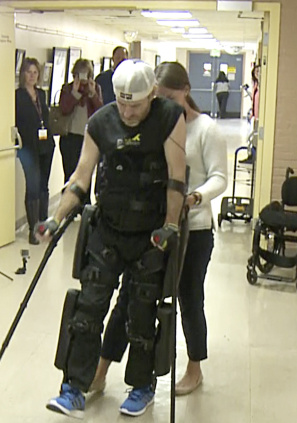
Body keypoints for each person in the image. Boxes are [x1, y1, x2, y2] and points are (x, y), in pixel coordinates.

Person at [37, 60, 187, 419]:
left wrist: (170, 224)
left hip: (150, 233)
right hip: (108, 227)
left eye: (135, 105)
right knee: (87, 307)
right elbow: (81, 177)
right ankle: (74, 387)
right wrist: (56, 219)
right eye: (122, 104)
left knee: (141, 313)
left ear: (151, 94)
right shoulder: (101, 122)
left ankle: (141, 386)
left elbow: (176, 178)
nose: (128, 112)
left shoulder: (169, 117)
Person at [92, 61, 227, 396]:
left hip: (193, 229)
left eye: (169, 97)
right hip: (155, 227)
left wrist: (194, 197)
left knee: (188, 297)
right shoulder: (155, 124)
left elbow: (219, 178)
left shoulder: (206, 129)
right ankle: (101, 368)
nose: (162, 105)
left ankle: (194, 369)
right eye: (158, 97)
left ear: (185, 91)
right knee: (129, 299)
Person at [15, 57, 55, 245]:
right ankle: (33, 229)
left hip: (45, 145)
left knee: (43, 186)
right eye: (28, 72)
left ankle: (44, 225)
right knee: (32, 185)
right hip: (28, 148)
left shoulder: (42, 94)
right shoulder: (17, 96)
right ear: (23, 74)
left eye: (35, 73)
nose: (32, 76)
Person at [58, 58, 104, 184]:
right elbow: (64, 109)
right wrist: (74, 92)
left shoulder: (95, 88)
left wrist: (93, 94)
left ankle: (85, 203)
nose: (83, 77)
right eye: (80, 73)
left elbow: (100, 111)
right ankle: (70, 202)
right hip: (70, 138)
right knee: (70, 175)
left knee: (86, 175)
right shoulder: (68, 88)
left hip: (88, 138)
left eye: (86, 73)